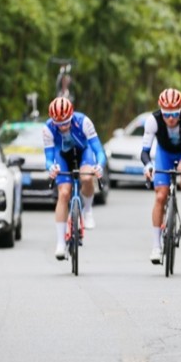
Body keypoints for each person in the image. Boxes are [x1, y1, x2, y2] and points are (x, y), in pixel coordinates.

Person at [141, 88, 181, 265]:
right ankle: (156, 245)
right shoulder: (152, 120)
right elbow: (145, 152)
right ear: (160, 110)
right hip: (165, 154)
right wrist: (148, 166)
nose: (170, 118)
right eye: (166, 114)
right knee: (160, 196)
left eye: (175, 113)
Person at [43, 96, 106, 260]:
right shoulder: (48, 128)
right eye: (59, 124)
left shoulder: (84, 121)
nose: (63, 127)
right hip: (62, 156)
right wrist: (51, 167)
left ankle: (88, 210)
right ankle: (60, 243)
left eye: (66, 122)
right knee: (64, 193)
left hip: (84, 152)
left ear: (71, 116)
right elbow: (49, 157)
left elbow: (98, 150)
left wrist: (99, 165)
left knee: (86, 177)